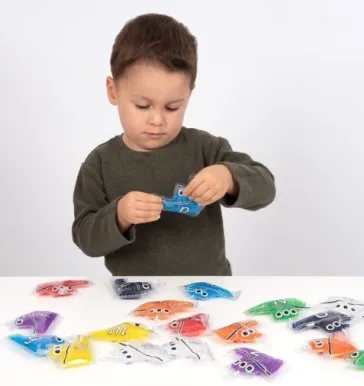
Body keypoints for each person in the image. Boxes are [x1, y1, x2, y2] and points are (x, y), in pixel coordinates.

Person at [71, 13, 276, 276]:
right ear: (113, 91)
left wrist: (228, 177)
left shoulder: (205, 148)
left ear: (189, 94)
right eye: (142, 106)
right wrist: (119, 215)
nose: (157, 120)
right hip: (133, 298)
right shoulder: (99, 163)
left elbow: (265, 187)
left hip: (209, 291)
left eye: (172, 107)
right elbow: (85, 239)